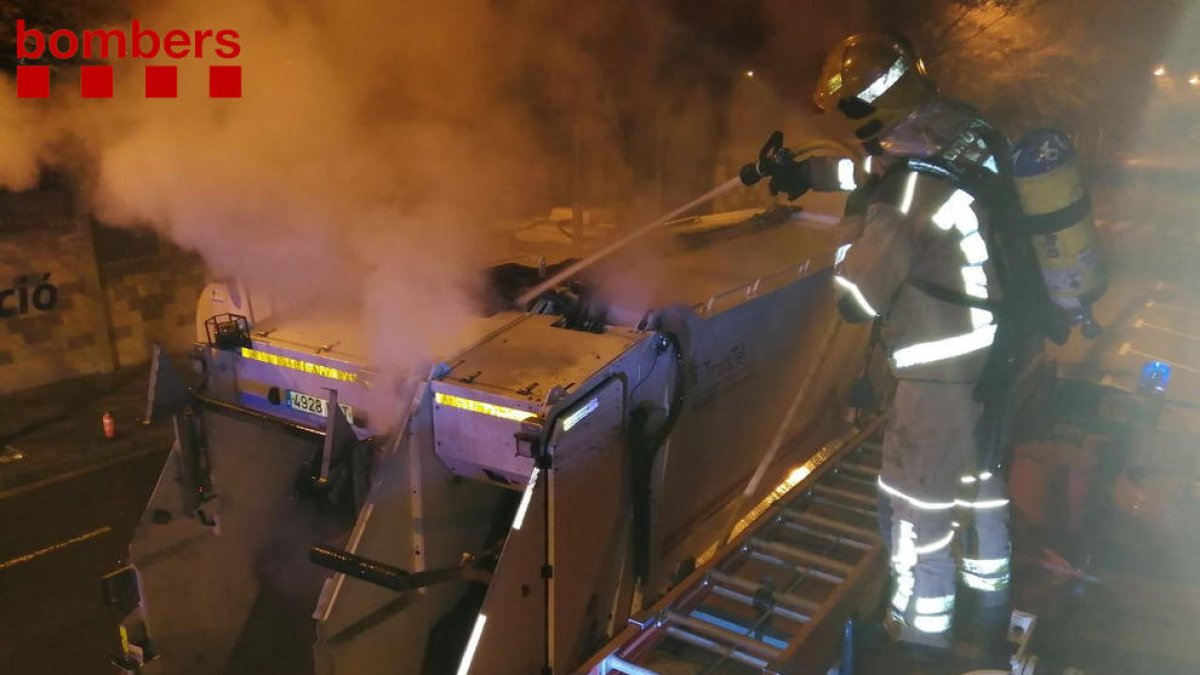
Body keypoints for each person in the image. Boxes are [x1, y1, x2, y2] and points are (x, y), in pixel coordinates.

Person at [748, 33, 1018, 667]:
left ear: (865, 110)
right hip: (997, 350)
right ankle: (991, 601)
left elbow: (855, 296)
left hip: (939, 369)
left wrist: (853, 217)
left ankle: (920, 638)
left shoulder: (898, 193)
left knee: (917, 507)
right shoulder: (958, 129)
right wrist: (804, 174)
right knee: (980, 485)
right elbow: (880, 171)